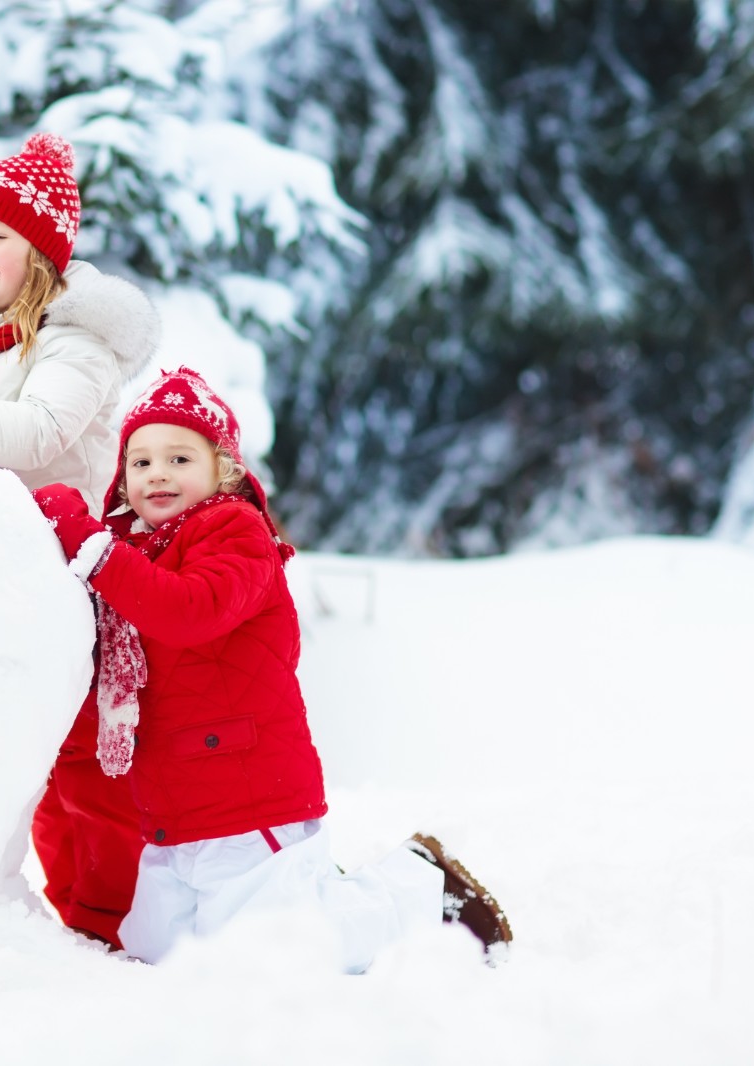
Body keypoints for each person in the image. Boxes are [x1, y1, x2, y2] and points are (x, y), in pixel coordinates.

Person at [31, 367, 514, 969]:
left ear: (223, 470)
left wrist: (88, 545)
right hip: (173, 810)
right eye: (141, 461)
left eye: (180, 458)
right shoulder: (135, 553)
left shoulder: (234, 531)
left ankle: (420, 892)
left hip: (243, 790)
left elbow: (188, 610)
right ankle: (306, 893)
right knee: (155, 946)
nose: (158, 473)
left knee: (274, 950)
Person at [0, 132, 158, 949]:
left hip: (67, 579)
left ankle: (122, 921)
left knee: (81, 773)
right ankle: (30, 915)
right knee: (10, 761)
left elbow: (39, 432)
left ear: (42, 257)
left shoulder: (74, 343)